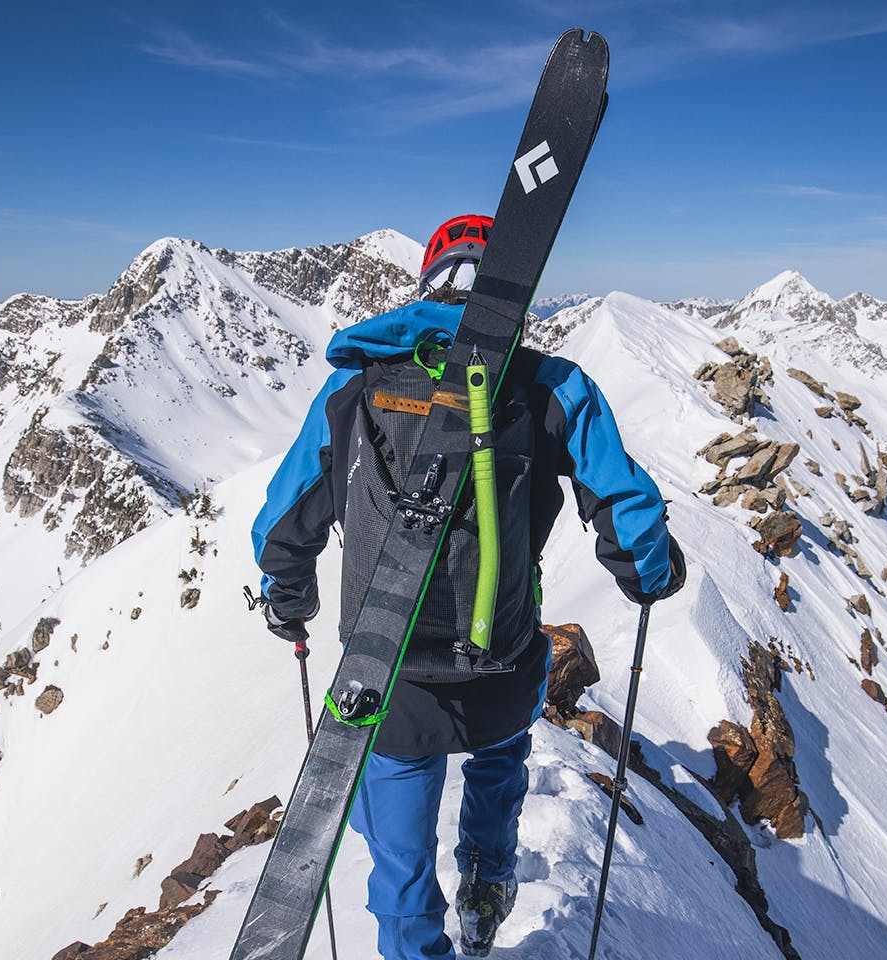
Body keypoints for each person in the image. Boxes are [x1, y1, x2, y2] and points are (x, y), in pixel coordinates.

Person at [251, 214, 685, 959]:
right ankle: (486, 884)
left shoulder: (355, 389)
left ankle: (416, 944)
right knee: (500, 757)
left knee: (398, 857)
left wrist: (289, 602)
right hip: (502, 656)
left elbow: (284, 521)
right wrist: (651, 574)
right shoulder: (552, 385)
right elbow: (623, 504)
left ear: (429, 282)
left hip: (384, 673)